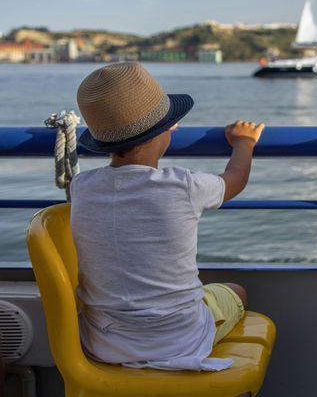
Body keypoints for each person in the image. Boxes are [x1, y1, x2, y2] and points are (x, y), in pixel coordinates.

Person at [69, 62, 265, 371]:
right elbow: (235, 180)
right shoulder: (184, 185)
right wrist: (244, 142)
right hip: (179, 341)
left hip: (103, 343)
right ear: (164, 131)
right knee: (236, 291)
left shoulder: (81, 187)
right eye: (170, 123)